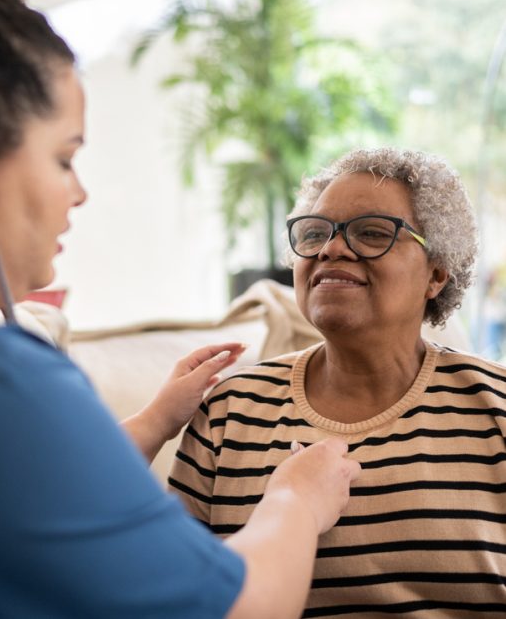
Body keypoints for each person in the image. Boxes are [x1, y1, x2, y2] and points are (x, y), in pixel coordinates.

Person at [0, 0, 360, 618]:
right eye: (64, 157)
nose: (79, 192)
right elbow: (240, 607)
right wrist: (298, 500)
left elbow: (3, 495)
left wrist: (154, 421)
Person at [170, 147, 506, 617]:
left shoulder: (496, 407)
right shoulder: (229, 411)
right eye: (314, 233)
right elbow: (172, 593)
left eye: (371, 233)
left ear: (435, 274)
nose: (331, 248)